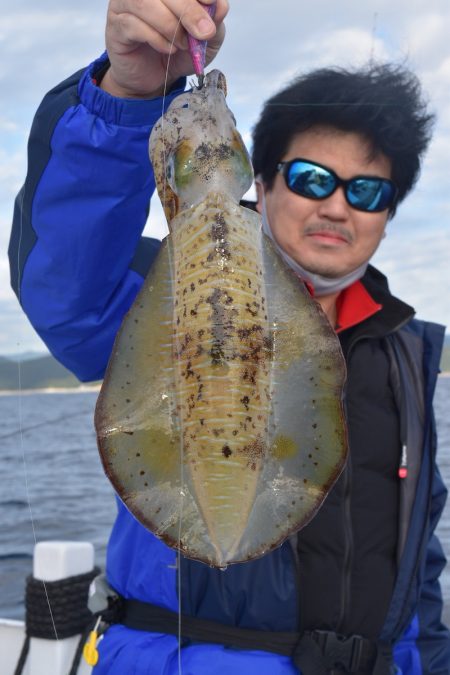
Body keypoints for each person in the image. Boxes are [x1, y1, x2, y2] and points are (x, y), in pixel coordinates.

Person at [8, 0, 449, 673]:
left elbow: (417, 578)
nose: (336, 205)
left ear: (388, 211)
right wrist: (128, 91)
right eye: (311, 178)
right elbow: (67, 287)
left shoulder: (408, 355)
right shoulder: (165, 282)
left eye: (367, 190)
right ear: (262, 179)